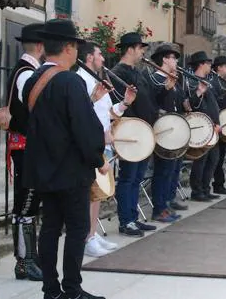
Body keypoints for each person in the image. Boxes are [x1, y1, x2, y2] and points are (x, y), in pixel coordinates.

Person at [22, 18, 108, 299]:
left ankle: (51, 289)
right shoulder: (69, 81)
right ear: (69, 47)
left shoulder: (33, 80)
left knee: (49, 228)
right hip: (70, 170)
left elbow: (27, 122)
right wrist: (98, 158)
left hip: (43, 169)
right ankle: (72, 288)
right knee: (77, 228)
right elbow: (84, 127)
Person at [76, 42, 136, 256]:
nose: (103, 58)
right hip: (93, 143)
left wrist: (125, 103)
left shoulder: (98, 80)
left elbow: (108, 112)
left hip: (104, 143)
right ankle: (86, 238)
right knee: (92, 194)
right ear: (90, 58)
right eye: (100, 54)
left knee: (98, 195)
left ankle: (92, 234)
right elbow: (82, 113)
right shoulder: (81, 80)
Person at [7, 22, 45, 281]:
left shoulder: (28, 71)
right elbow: (32, 111)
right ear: (41, 46)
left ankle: (29, 257)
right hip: (26, 148)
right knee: (27, 202)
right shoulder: (26, 74)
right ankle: (25, 260)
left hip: (28, 147)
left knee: (28, 201)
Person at [110, 32, 158, 237]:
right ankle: (125, 221)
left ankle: (133, 217)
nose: (142, 53)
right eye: (140, 49)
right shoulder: (117, 73)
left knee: (137, 177)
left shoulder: (137, 71)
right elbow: (120, 104)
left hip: (143, 131)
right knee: (128, 178)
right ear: (130, 49)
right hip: (131, 131)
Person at [146, 43, 186, 222]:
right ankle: (158, 208)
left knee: (170, 170)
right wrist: (166, 88)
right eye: (173, 57)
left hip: (174, 128)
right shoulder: (155, 78)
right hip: (162, 129)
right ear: (164, 59)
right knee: (162, 171)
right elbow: (154, 103)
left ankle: (166, 204)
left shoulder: (172, 78)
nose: (176, 61)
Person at [186, 51, 221, 201]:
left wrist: (217, 122)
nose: (210, 66)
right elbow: (192, 104)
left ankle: (206, 188)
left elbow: (213, 104)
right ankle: (197, 190)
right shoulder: (192, 82)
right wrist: (199, 92)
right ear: (201, 64)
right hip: (202, 126)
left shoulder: (208, 81)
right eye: (208, 63)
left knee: (213, 159)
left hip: (213, 126)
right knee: (201, 160)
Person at [209, 56, 226, 195]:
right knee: (216, 158)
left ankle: (219, 184)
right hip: (217, 122)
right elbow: (215, 103)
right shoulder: (213, 82)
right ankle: (217, 184)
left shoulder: (224, 82)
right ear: (219, 67)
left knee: (221, 155)